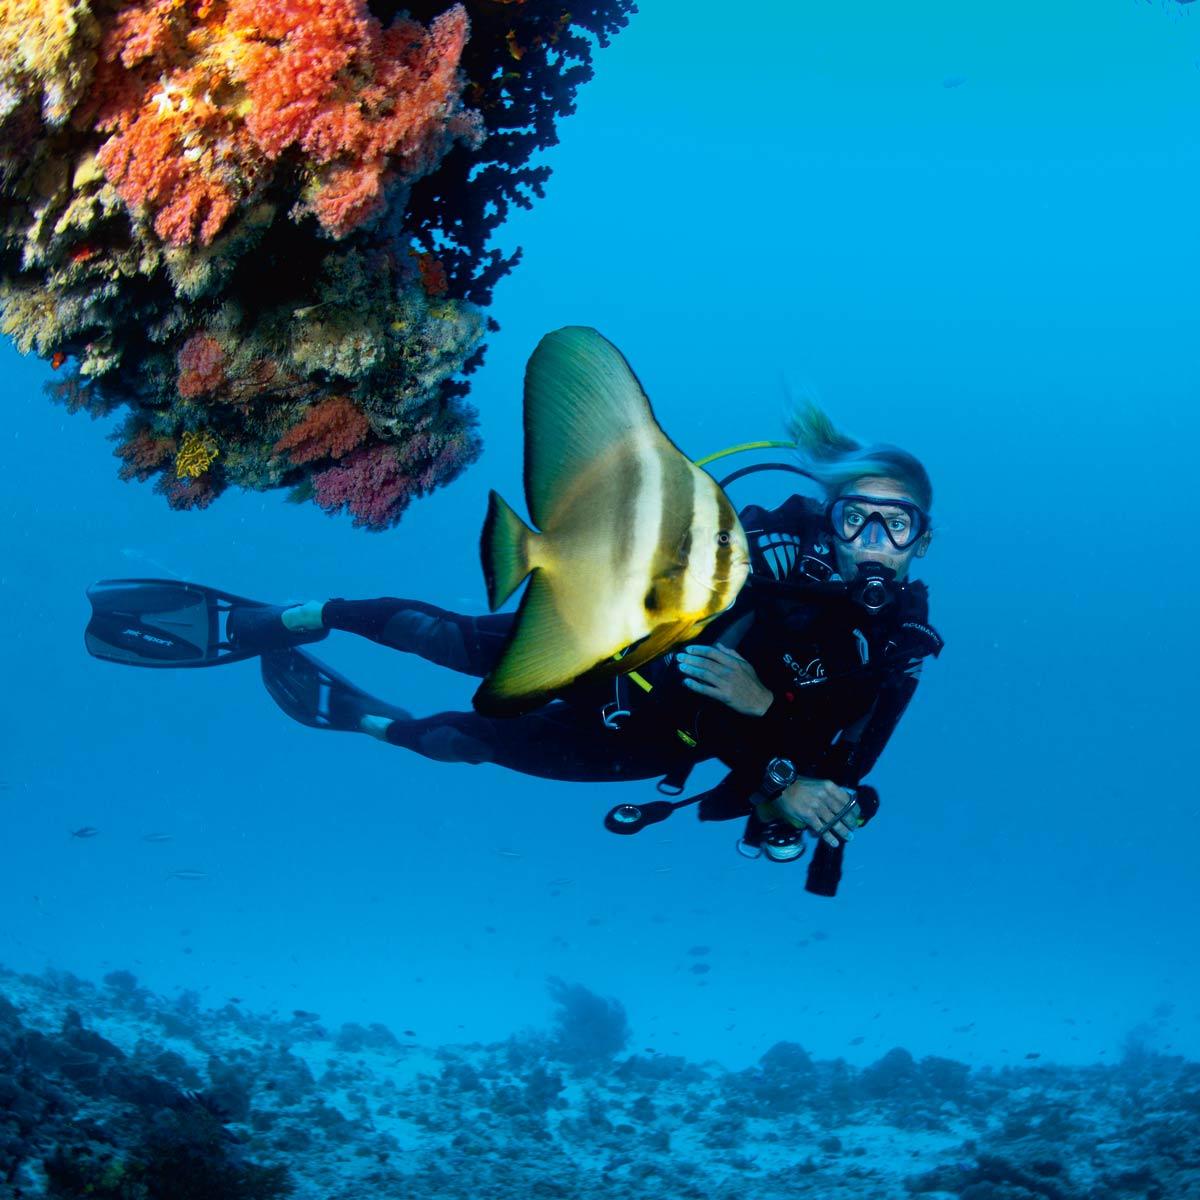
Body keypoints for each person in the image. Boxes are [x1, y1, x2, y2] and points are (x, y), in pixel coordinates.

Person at [85, 405, 942, 894]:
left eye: (895, 525)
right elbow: (663, 579)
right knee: (448, 637)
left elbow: (834, 774)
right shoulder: (762, 554)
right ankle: (295, 617)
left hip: (642, 744)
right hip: (603, 651)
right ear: (828, 518)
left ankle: (364, 719)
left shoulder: (897, 652)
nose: (872, 541)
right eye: (856, 517)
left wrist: (801, 790)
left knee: (464, 741)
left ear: (921, 542)